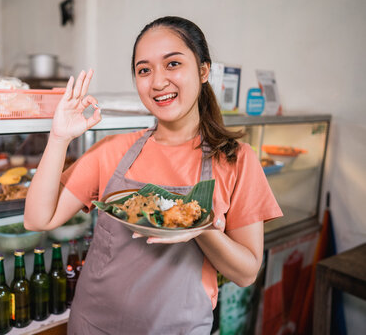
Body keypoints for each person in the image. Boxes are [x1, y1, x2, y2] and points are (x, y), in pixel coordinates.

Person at [25, 16, 282, 334]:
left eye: (173, 64)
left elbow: (246, 273)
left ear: (203, 70)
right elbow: (37, 220)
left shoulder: (237, 161)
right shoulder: (113, 150)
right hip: (93, 323)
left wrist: (201, 228)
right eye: (144, 70)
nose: (158, 82)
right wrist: (59, 137)